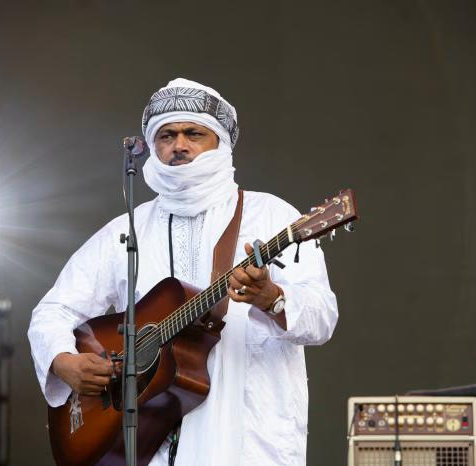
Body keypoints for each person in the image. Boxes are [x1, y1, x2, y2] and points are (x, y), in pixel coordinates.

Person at [28, 78, 338, 465]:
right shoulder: (127, 230)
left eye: (194, 133)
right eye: (166, 135)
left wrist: (272, 299)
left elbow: (322, 318)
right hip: (152, 445)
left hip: (250, 438)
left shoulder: (272, 216)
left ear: (220, 142)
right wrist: (63, 360)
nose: (179, 145)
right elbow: (53, 311)